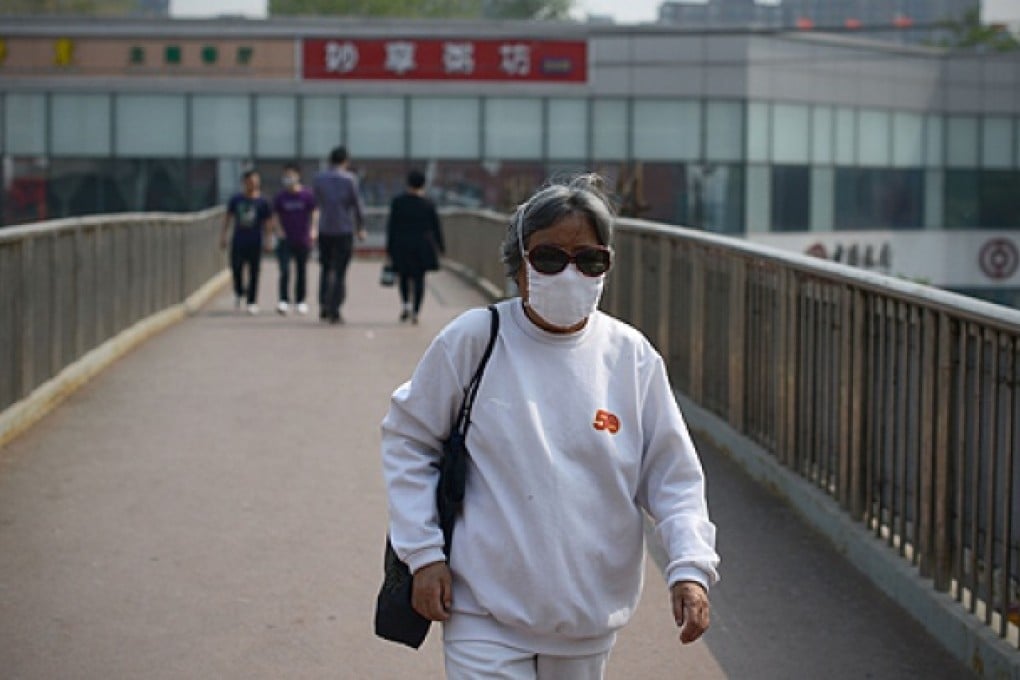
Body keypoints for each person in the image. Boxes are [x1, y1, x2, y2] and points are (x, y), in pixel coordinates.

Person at [381, 174, 719, 679]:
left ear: (607, 265)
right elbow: (409, 441)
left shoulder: (631, 357)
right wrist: (423, 554)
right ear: (518, 266)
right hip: (482, 610)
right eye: (549, 258)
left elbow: (672, 476)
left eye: (589, 259)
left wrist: (690, 568)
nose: (569, 273)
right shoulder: (475, 340)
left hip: (586, 619)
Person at [312, 146, 366, 324]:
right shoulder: (349, 179)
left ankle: (323, 305)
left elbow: (315, 204)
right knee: (341, 271)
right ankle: (335, 308)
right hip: (344, 229)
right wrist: (360, 226)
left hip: (325, 228)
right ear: (345, 161)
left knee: (326, 268)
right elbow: (357, 205)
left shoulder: (319, 179)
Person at [385, 169, 445, 324]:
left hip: (401, 245)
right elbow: (436, 227)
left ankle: (405, 304)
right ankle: (416, 311)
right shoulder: (428, 204)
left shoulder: (398, 202)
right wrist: (441, 247)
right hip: (422, 247)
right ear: (423, 184)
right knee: (419, 279)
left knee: (403, 276)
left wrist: (389, 248)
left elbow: (391, 227)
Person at [220, 169, 273, 315]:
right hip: (238, 240)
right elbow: (228, 217)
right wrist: (223, 236)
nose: (253, 184)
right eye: (250, 181)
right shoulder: (236, 200)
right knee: (236, 267)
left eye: (255, 181)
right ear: (244, 182)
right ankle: (239, 290)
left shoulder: (263, 202)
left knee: (254, 271)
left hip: (255, 241)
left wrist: (269, 240)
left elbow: (268, 222)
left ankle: (252, 301)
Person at [272, 163, 318, 315]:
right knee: (284, 270)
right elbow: (276, 215)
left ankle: (300, 301)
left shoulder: (307, 195)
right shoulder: (280, 196)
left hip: (302, 238)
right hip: (285, 239)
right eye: (285, 176)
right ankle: (283, 300)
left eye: (291, 176)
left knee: (301, 271)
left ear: (298, 176)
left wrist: (313, 229)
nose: (288, 179)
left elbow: (314, 212)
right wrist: (278, 230)